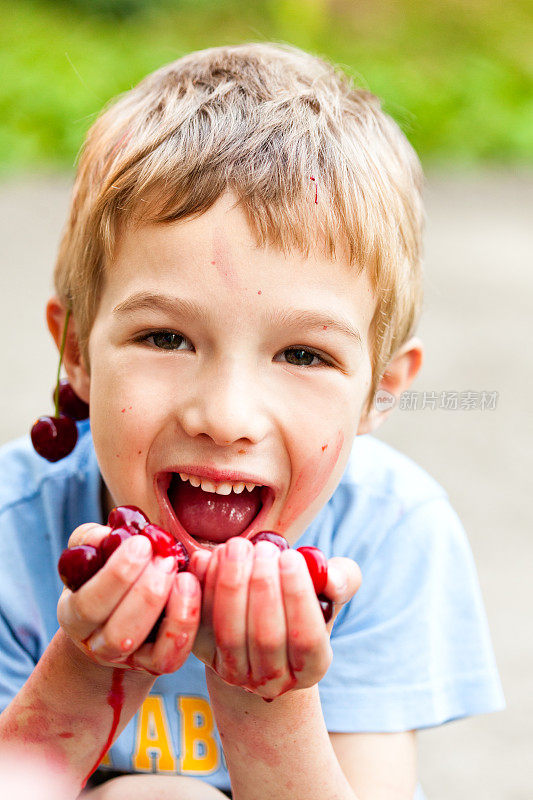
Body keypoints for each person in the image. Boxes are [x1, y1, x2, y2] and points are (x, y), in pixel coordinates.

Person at [0, 43, 504, 799]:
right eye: (165, 338)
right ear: (76, 353)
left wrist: (266, 702)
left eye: (302, 354)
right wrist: (87, 666)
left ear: (379, 389)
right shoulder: (15, 533)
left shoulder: (391, 534)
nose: (226, 417)